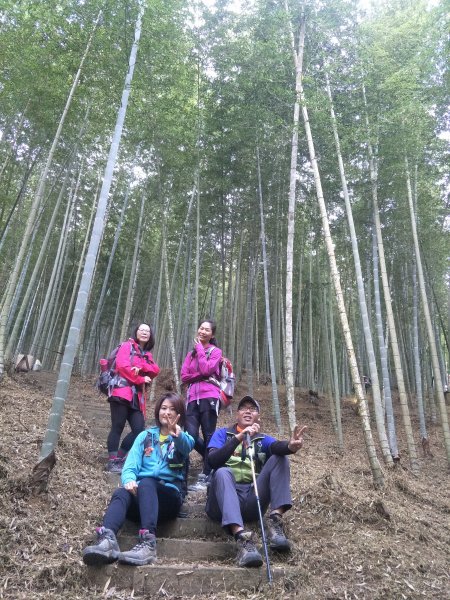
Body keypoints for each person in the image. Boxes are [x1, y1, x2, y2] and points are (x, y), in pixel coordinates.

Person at [83, 393, 194, 567]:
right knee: (121, 492)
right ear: (158, 412)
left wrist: (177, 434)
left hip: (168, 499)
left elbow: (186, 447)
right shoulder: (144, 437)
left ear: (180, 414)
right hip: (142, 498)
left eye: (173, 409)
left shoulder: (184, 438)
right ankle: (108, 540)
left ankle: (148, 543)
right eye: (164, 408)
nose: (167, 413)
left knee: (148, 482)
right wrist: (129, 480)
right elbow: (130, 465)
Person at [206, 395, 307, 568]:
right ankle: (242, 539)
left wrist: (290, 446)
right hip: (221, 502)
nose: (247, 411)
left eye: (252, 409)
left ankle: (275, 521)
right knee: (222, 472)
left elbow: (276, 447)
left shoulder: (262, 439)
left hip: (252, 500)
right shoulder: (223, 434)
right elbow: (213, 460)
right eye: (244, 408)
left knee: (280, 458)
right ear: (237, 414)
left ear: (258, 416)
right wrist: (239, 437)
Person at [106, 323, 160, 473]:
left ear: (150, 335)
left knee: (139, 429)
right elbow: (122, 367)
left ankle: (120, 458)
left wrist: (141, 368)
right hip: (121, 392)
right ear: (136, 332)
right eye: (141, 330)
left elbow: (155, 370)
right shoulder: (126, 346)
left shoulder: (147, 354)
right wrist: (140, 379)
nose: (144, 332)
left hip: (136, 396)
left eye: (147, 331)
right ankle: (112, 461)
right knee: (117, 426)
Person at [180, 319, 222, 491]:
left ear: (212, 335)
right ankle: (185, 470)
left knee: (209, 434)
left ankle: (207, 475)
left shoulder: (215, 351)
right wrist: (200, 375)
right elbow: (184, 377)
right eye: (201, 328)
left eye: (207, 330)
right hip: (191, 398)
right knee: (189, 435)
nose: (203, 331)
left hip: (209, 397)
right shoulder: (190, 355)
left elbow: (206, 370)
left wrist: (199, 349)